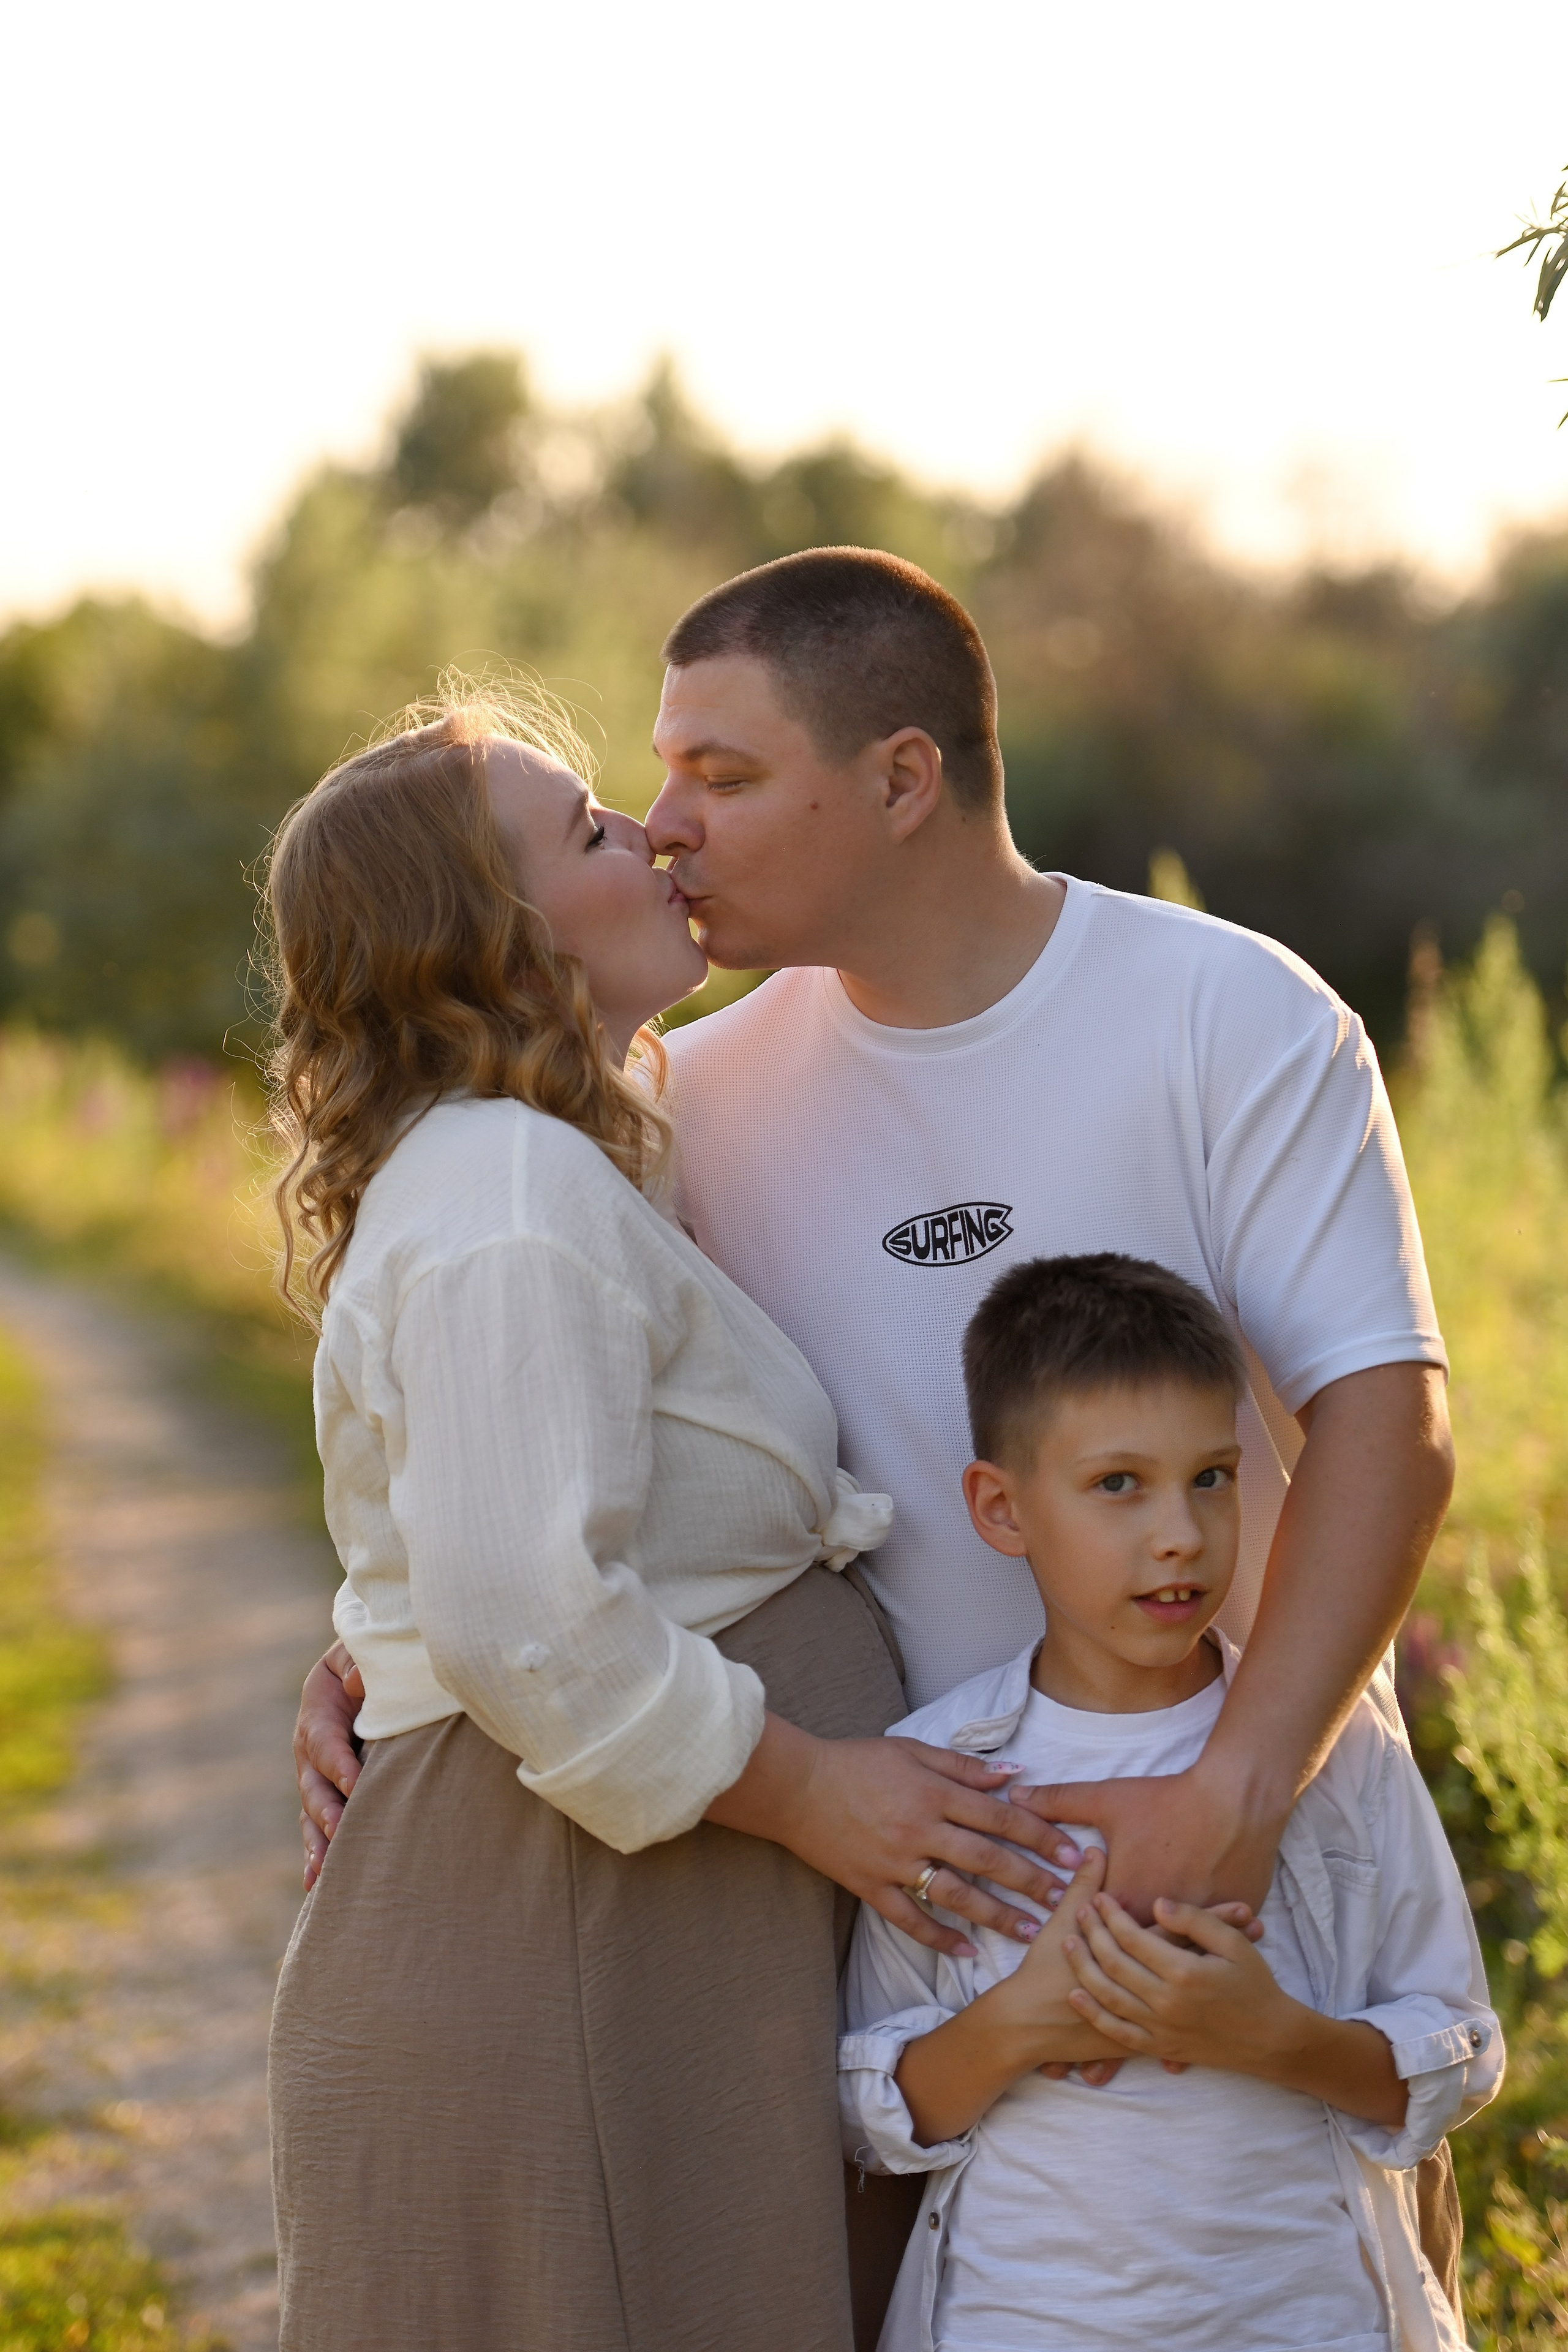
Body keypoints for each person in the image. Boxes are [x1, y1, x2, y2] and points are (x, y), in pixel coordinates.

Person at [293, 551, 1459, 2332]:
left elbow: (1395, 1423)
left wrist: (1239, 1798)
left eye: (725, 778)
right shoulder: (691, 1099)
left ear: (906, 778)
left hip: (1231, 1899)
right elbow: (539, 1442)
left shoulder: (1230, 1017)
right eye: (649, 786)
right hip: (895, 1976)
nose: (669, 824)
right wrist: (381, 1643)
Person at [263, 681, 1086, 2352]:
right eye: (587, 830)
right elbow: (518, 1616)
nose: (650, 835)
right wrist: (823, 1797)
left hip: (625, 1908)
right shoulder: (505, 1188)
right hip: (568, 1916)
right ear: (490, 934)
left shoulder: (561, 1160)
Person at [840, 1254, 1499, 2352]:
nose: (1181, 1534)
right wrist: (1021, 2022)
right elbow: (872, 2110)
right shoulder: (944, 1777)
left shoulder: (1336, 1754)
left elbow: (1462, 2045)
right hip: (1023, 2323)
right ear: (1001, 1509)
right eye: (1118, 1485)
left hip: (1307, 2319)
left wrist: (1272, 2037)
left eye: (1211, 1476)